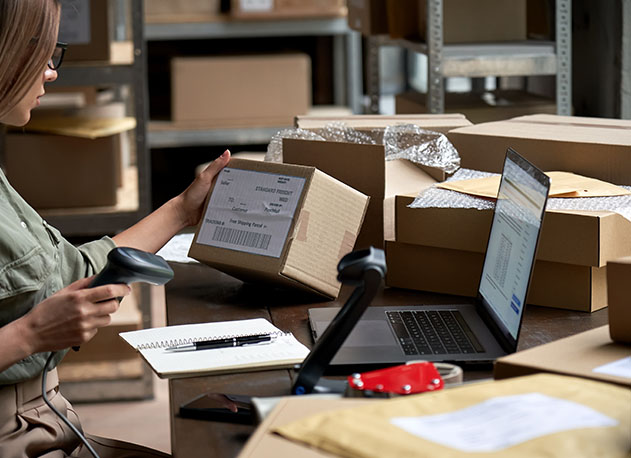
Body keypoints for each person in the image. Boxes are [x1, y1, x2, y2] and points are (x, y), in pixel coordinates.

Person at [0, 0, 231, 456]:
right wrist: (29, 335)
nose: (50, 72)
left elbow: (67, 270)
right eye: (40, 53)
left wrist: (185, 209)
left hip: (47, 417)